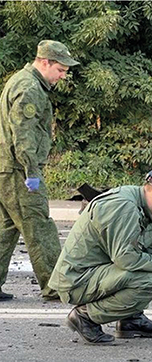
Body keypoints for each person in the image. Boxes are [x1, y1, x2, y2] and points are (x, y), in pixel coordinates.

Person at [48, 169, 152, 344]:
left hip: (97, 273)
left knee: (148, 268)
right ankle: (85, 317)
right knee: (148, 281)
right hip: (76, 281)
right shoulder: (124, 207)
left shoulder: (145, 208)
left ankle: (131, 320)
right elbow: (126, 258)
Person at [0, 40, 80, 301]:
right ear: (45, 62)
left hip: (6, 169)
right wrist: (31, 172)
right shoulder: (29, 88)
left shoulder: (20, 81)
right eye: (61, 69)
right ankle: (56, 286)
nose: (63, 75)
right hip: (19, 171)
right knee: (39, 226)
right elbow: (24, 136)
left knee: (6, 228)